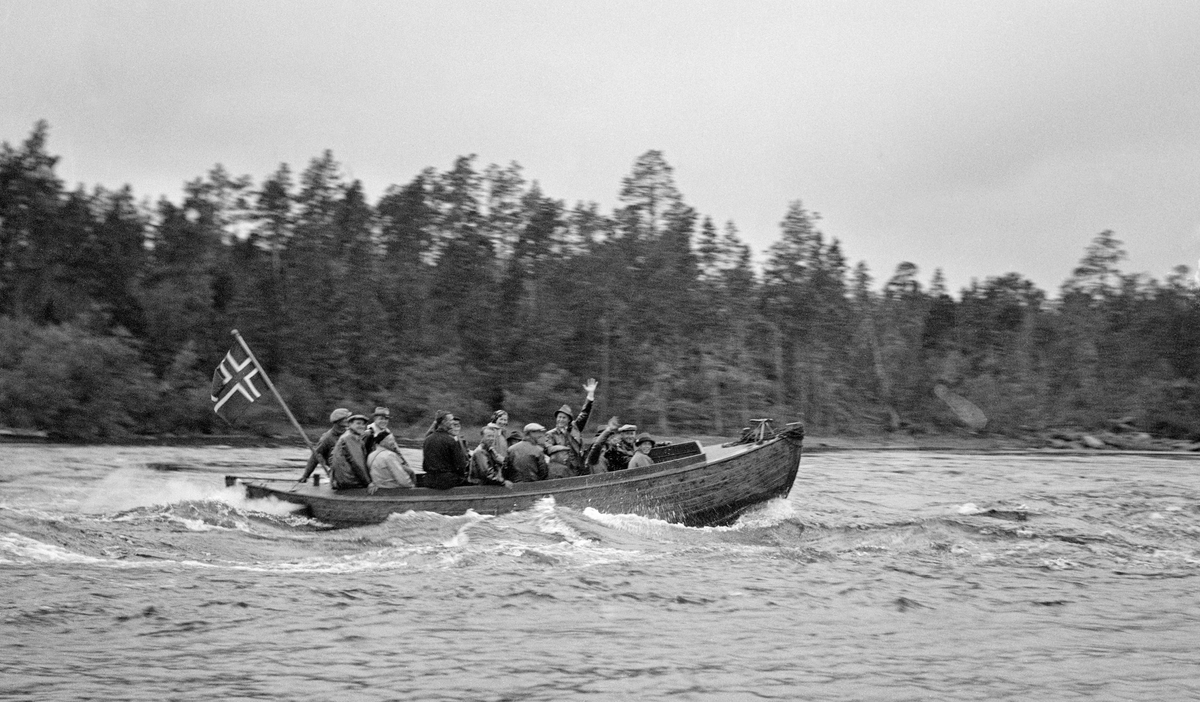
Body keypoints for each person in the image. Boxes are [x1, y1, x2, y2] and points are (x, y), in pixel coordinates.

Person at [542, 378, 598, 476]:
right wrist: (563, 449)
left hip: (579, 468)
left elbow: (585, 413)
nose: (560, 420)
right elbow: (547, 448)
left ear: (569, 420)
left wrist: (590, 395)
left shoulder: (575, 428)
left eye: (564, 417)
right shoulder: (550, 434)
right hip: (561, 471)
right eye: (559, 417)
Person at [299, 408, 350, 483]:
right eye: (345, 418)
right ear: (338, 421)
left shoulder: (349, 433)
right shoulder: (327, 438)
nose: (348, 420)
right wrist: (305, 476)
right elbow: (315, 457)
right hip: (338, 472)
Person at [422, 411, 469, 490]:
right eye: (451, 420)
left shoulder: (427, 439)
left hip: (429, 480)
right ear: (444, 422)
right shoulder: (451, 440)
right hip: (446, 481)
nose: (452, 422)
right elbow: (460, 465)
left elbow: (425, 464)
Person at [330, 414, 375, 491]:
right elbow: (357, 463)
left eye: (363, 424)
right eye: (358, 423)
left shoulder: (351, 436)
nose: (361, 426)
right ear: (350, 424)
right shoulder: (350, 438)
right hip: (349, 482)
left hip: (341, 480)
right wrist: (369, 483)